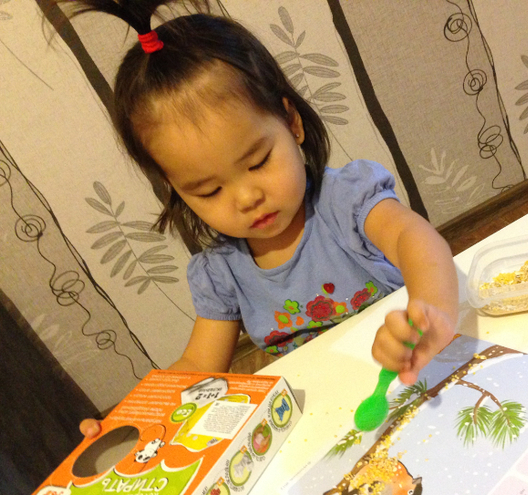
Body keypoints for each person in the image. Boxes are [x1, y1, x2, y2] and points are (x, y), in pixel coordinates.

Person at [67, 0, 458, 438]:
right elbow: (198, 366)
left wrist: (433, 311)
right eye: (209, 191)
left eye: (258, 162)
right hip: (328, 420)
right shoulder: (222, 270)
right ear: (174, 188)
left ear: (291, 123)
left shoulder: (344, 200)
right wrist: (131, 421)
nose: (247, 197)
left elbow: (413, 239)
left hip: (414, 379)